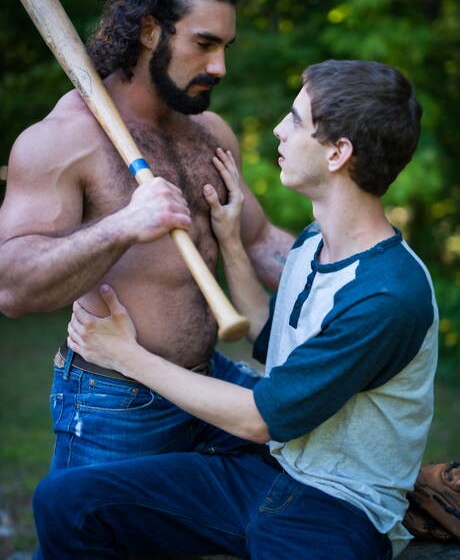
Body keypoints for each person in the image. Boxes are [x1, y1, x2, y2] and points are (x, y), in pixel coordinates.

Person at [32, 59, 438, 559]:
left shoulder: (388, 295)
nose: (279, 130)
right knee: (66, 502)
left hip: (339, 507)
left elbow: (259, 419)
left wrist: (125, 356)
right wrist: (232, 242)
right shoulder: (316, 243)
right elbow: (270, 335)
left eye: (296, 120)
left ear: (338, 153)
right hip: (269, 471)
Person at [0, 0, 294, 469]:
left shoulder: (210, 133)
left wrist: (362, 281)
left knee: (310, 460)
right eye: (204, 44)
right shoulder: (64, 140)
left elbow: (260, 241)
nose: (219, 68)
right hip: (117, 404)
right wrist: (124, 225)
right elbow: (12, 289)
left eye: (225, 48)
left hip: (207, 382)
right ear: (149, 31)